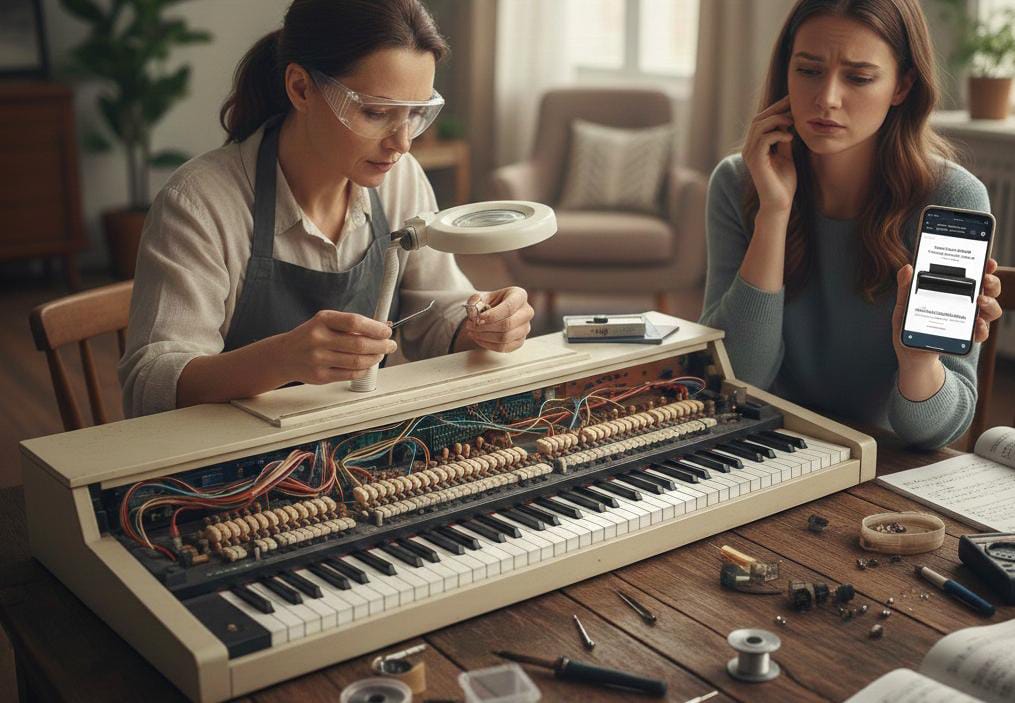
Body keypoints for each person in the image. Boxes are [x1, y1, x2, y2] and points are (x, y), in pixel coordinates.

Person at [119, 0, 533, 418]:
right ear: (301, 88)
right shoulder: (200, 203)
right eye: (376, 112)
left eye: (414, 114)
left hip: (356, 449)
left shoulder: (400, 178)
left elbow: (437, 313)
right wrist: (280, 359)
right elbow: (150, 385)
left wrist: (485, 324)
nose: (403, 143)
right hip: (230, 464)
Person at [699, 0, 1003, 449]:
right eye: (808, 71)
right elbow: (736, 381)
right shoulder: (738, 183)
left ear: (902, 86)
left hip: (883, 465)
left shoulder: (951, 199)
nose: (827, 98)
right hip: (770, 447)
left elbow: (932, 433)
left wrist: (919, 361)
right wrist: (774, 213)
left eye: (859, 77)